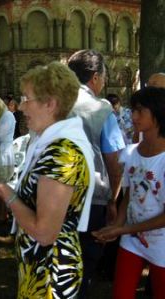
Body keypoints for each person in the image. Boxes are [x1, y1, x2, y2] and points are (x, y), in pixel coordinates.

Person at [0, 61, 95, 298]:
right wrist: (4, 190)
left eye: (26, 98)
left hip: (52, 272)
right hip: (41, 265)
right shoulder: (49, 144)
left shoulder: (62, 154)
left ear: (50, 103)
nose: (20, 106)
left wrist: (6, 194)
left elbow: (45, 232)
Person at [93, 87, 165, 298]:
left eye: (140, 111)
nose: (133, 116)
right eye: (133, 110)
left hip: (161, 244)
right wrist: (116, 225)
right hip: (132, 240)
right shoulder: (132, 152)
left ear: (159, 113)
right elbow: (130, 196)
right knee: (121, 293)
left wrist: (122, 230)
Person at [67, 49, 125, 298]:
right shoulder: (101, 109)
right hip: (90, 198)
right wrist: (113, 199)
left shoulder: (53, 102)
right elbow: (114, 162)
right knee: (85, 258)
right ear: (94, 77)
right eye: (104, 76)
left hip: (52, 193)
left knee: (61, 258)